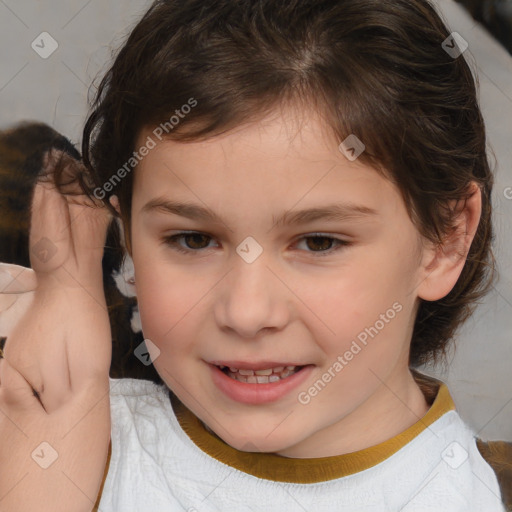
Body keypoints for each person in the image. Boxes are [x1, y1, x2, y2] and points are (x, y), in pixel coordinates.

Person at [0, 0, 510, 510]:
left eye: (318, 242)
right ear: (129, 233)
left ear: (446, 238)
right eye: (193, 240)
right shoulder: (56, 444)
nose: (246, 313)